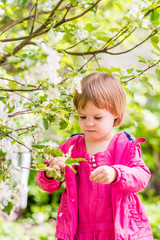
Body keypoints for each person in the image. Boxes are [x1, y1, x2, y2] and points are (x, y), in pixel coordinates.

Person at [36, 72, 153, 240]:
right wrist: (50, 171)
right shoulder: (71, 147)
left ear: (116, 114)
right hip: (78, 230)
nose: (89, 123)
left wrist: (116, 174)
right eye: (82, 116)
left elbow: (142, 177)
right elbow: (45, 184)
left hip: (118, 230)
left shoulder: (125, 145)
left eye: (97, 117)